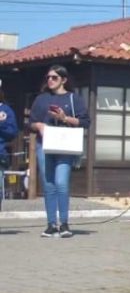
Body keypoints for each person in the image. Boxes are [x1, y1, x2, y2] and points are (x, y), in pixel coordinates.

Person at [29, 64, 89, 237]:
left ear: (64, 80)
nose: (50, 80)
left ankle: (64, 223)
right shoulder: (41, 99)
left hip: (65, 145)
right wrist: (38, 125)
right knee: (48, 185)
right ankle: (50, 224)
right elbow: (30, 123)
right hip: (44, 145)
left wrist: (65, 118)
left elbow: (85, 122)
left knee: (61, 183)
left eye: (54, 77)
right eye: (48, 77)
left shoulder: (73, 98)